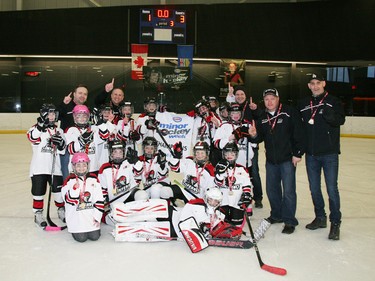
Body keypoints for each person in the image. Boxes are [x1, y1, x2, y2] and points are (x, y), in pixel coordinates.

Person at [298, 73, 346, 240]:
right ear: (309, 86)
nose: (315, 86)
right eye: (312, 83)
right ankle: (320, 217)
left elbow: (341, 120)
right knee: (314, 188)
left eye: (318, 83)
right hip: (311, 155)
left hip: (329, 153)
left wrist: (330, 115)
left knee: (332, 189)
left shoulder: (333, 101)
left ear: (324, 83)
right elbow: (299, 129)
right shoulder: (304, 104)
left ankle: (335, 223)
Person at [253, 88, 305, 234]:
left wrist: (297, 153)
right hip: (271, 160)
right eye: (266, 99)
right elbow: (260, 138)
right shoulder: (262, 117)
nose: (269, 102)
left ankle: (289, 220)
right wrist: (254, 135)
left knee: (288, 191)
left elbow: (299, 133)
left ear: (278, 99)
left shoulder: (289, 112)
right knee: (272, 189)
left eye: (272, 98)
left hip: (287, 159)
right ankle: (276, 215)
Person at [27, 103, 67, 227]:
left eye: (54, 113)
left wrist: (60, 144)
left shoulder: (59, 130)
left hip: (55, 169)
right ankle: (38, 214)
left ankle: (61, 211)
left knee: (58, 192)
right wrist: (40, 127)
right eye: (49, 113)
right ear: (43, 114)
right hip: (39, 168)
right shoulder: (35, 129)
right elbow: (32, 138)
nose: (52, 116)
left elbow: (63, 149)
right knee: (38, 192)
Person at [226, 85, 263, 208]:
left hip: (250, 145)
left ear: (246, 96)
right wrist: (230, 96)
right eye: (237, 94)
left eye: (242, 94)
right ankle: (237, 193)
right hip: (237, 146)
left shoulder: (251, 107)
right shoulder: (233, 107)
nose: (239, 96)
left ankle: (258, 197)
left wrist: (256, 109)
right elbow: (226, 112)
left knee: (254, 172)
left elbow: (260, 116)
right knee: (237, 170)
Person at [98, 140, 147, 225]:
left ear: (124, 153)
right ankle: (105, 217)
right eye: (115, 152)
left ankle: (140, 219)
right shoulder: (104, 168)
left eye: (120, 152)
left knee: (142, 195)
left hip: (130, 195)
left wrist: (136, 161)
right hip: (116, 201)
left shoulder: (128, 162)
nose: (118, 155)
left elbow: (138, 172)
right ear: (111, 153)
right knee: (119, 221)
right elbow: (102, 191)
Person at [61, 152, 105, 242]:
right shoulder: (69, 180)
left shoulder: (93, 178)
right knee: (81, 238)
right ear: (73, 167)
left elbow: (99, 199)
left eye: (84, 165)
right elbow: (68, 200)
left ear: (88, 165)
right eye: (78, 165)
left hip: (90, 216)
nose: (81, 168)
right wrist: (74, 190)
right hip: (76, 218)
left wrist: (97, 217)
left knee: (95, 237)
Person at [214, 142, 253, 227]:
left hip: (236, 202)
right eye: (227, 153)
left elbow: (246, 185)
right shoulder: (220, 167)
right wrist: (219, 173)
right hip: (223, 202)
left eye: (232, 153)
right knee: (222, 225)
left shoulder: (242, 169)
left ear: (236, 155)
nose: (229, 156)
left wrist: (246, 195)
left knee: (236, 225)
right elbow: (217, 183)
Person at [57, 84, 89, 181]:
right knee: (67, 173)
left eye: (85, 94)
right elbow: (55, 117)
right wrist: (63, 104)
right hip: (67, 147)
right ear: (74, 94)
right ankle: (68, 191)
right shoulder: (66, 105)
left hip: (82, 146)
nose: (82, 95)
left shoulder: (86, 109)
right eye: (80, 93)